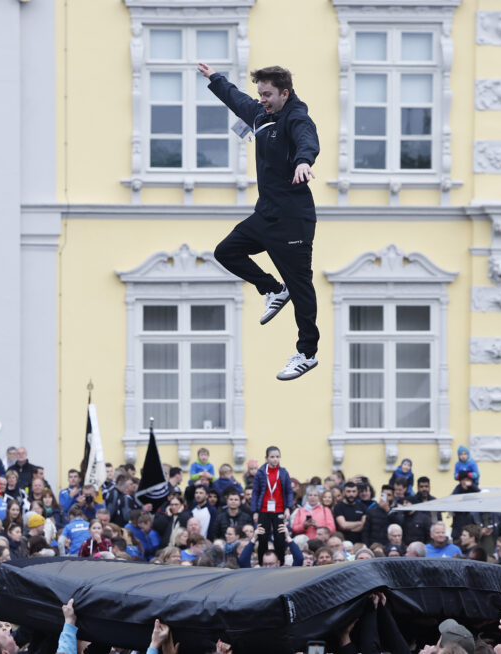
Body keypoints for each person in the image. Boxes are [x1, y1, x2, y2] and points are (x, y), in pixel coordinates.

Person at [199, 62, 321, 381]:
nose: (263, 99)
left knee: (302, 287)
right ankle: (272, 289)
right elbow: (235, 98)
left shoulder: (296, 117)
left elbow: (307, 139)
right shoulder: (259, 115)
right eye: (260, 94)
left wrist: (304, 161)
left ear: (285, 93)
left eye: (268, 94)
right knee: (226, 252)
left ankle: (307, 353)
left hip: (293, 220)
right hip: (265, 214)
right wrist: (215, 78)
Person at [250, 446, 294, 565]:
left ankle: (280, 562)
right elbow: (255, 492)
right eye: (272, 457)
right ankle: (261, 563)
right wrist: (255, 511)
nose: (275, 459)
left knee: (279, 538)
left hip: (279, 510)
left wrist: (288, 508)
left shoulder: (283, 472)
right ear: (266, 458)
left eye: (277, 457)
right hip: (264, 510)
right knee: (262, 538)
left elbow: (289, 492)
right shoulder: (260, 472)